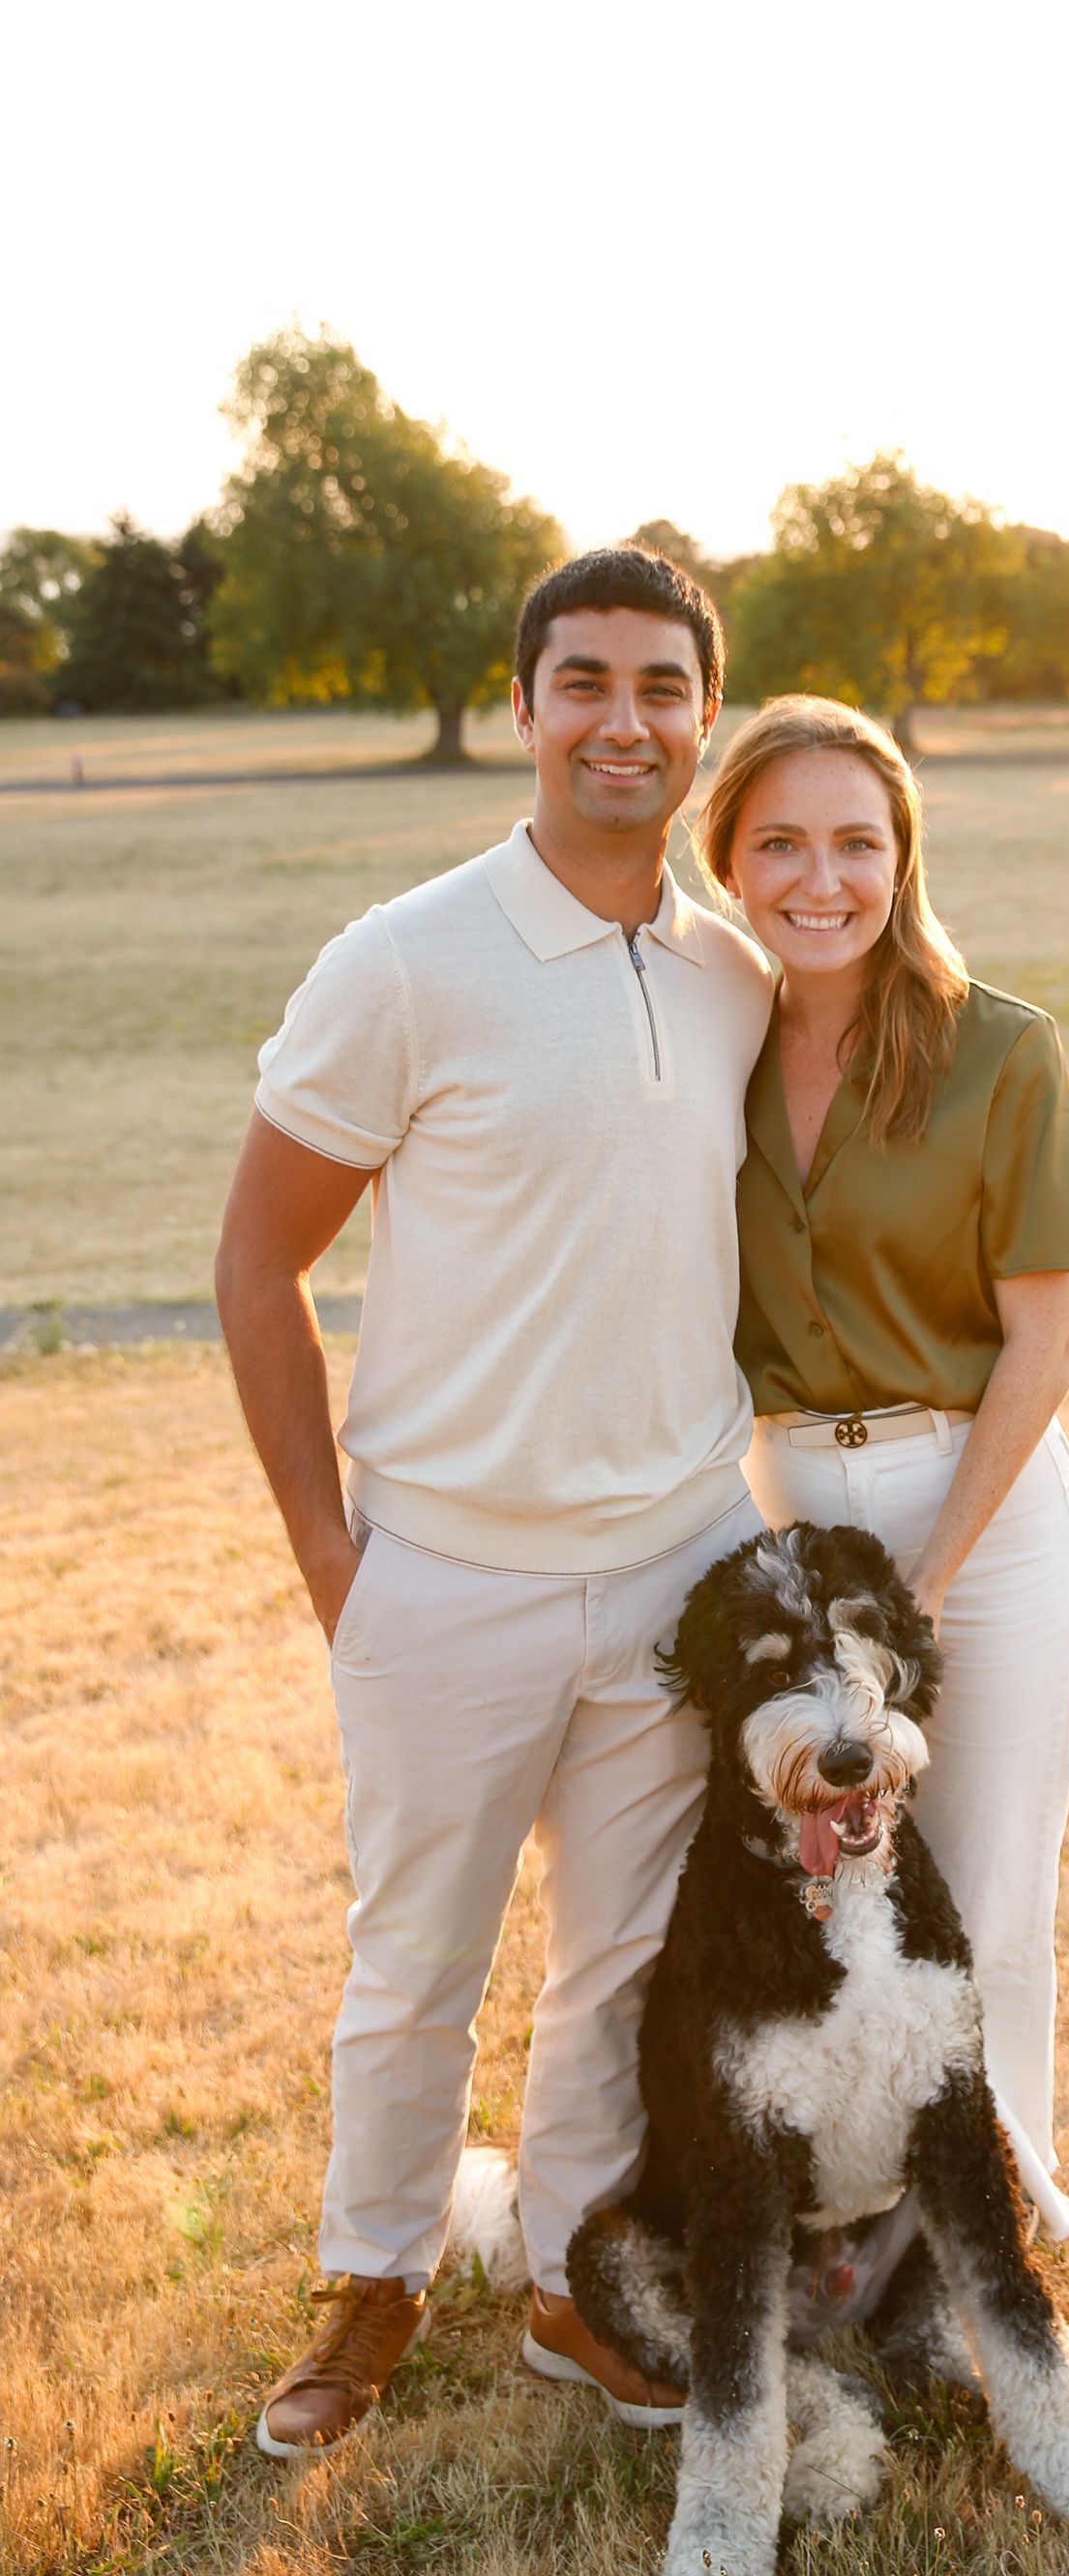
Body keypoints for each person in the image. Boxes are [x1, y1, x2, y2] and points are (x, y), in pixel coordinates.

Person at [214, 547, 772, 2455]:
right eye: (587, 682)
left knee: (625, 1958)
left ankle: (568, 2276)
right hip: (445, 1573)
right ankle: (370, 2280)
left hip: (681, 1558)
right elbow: (255, 1261)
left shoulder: (736, 972)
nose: (627, 720)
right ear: (524, 704)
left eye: (664, 687)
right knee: (415, 1959)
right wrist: (328, 1555)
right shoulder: (402, 962)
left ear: (708, 714)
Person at [697, 694, 1069, 2251]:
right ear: (726, 857)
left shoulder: (1002, 1050)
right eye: (781, 841)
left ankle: (990, 2220)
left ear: (902, 854)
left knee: (985, 1877)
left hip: (977, 1513)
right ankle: (847, 2201)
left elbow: (1044, 1348)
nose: (822, 877)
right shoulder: (703, 1048)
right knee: (823, 1886)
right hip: (792, 1503)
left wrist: (922, 1588)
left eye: (856, 842)